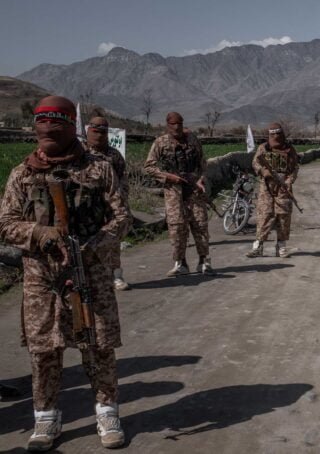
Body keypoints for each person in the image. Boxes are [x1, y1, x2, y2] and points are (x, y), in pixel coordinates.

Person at [0, 95, 131, 450]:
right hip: (41, 277)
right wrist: (39, 234)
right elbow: (6, 223)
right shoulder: (22, 173)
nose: (47, 131)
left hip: (91, 272)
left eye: (55, 125)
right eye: (41, 124)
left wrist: (93, 248)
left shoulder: (99, 169)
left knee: (98, 344)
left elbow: (121, 217)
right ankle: (46, 417)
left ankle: (107, 411)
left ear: (71, 127)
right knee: (43, 349)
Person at [144, 112, 213, 276]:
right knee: (176, 227)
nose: (176, 127)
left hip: (194, 190)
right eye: (173, 124)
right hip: (173, 191)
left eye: (179, 124)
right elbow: (149, 167)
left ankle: (204, 261)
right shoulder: (160, 143)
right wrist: (168, 177)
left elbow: (203, 164)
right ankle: (180, 263)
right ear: (167, 125)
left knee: (200, 224)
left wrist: (201, 179)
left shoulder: (193, 140)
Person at [84, 116, 131, 291]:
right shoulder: (80, 152)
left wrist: (120, 200)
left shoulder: (114, 155)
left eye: (102, 132)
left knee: (112, 240)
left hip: (110, 205)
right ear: (88, 131)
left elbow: (123, 179)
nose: (98, 136)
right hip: (87, 207)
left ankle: (116, 275)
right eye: (95, 131)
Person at [246, 122, 299, 258]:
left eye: (278, 135)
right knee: (264, 215)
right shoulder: (263, 148)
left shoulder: (290, 150)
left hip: (283, 188)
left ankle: (281, 246)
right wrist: (263, 171)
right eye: (273, 135)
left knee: (283, 216)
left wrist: (289, 181)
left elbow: (294, 168)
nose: (276, 138)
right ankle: (258, 246)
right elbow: (255, 162)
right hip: (267, 188)